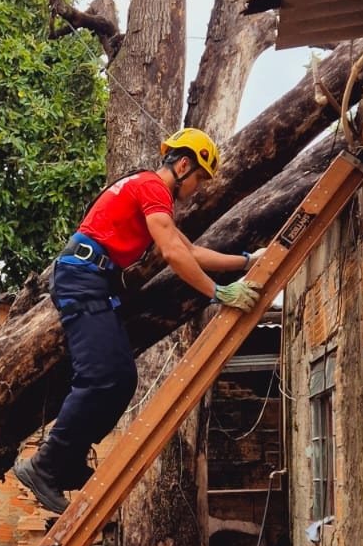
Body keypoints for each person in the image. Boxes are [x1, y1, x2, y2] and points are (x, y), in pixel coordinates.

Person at [13, 127, 259, 514]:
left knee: (123, 379)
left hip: (94, 280)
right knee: (98, 377)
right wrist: (216, 292)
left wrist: (246, 263)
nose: (198, 188)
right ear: (182, 165)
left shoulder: (150, 193)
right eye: (198, 178)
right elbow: (174, 255)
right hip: (82, 279)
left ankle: (69, 459)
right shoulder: (152, 188)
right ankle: (43, 466)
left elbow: (187, 249)